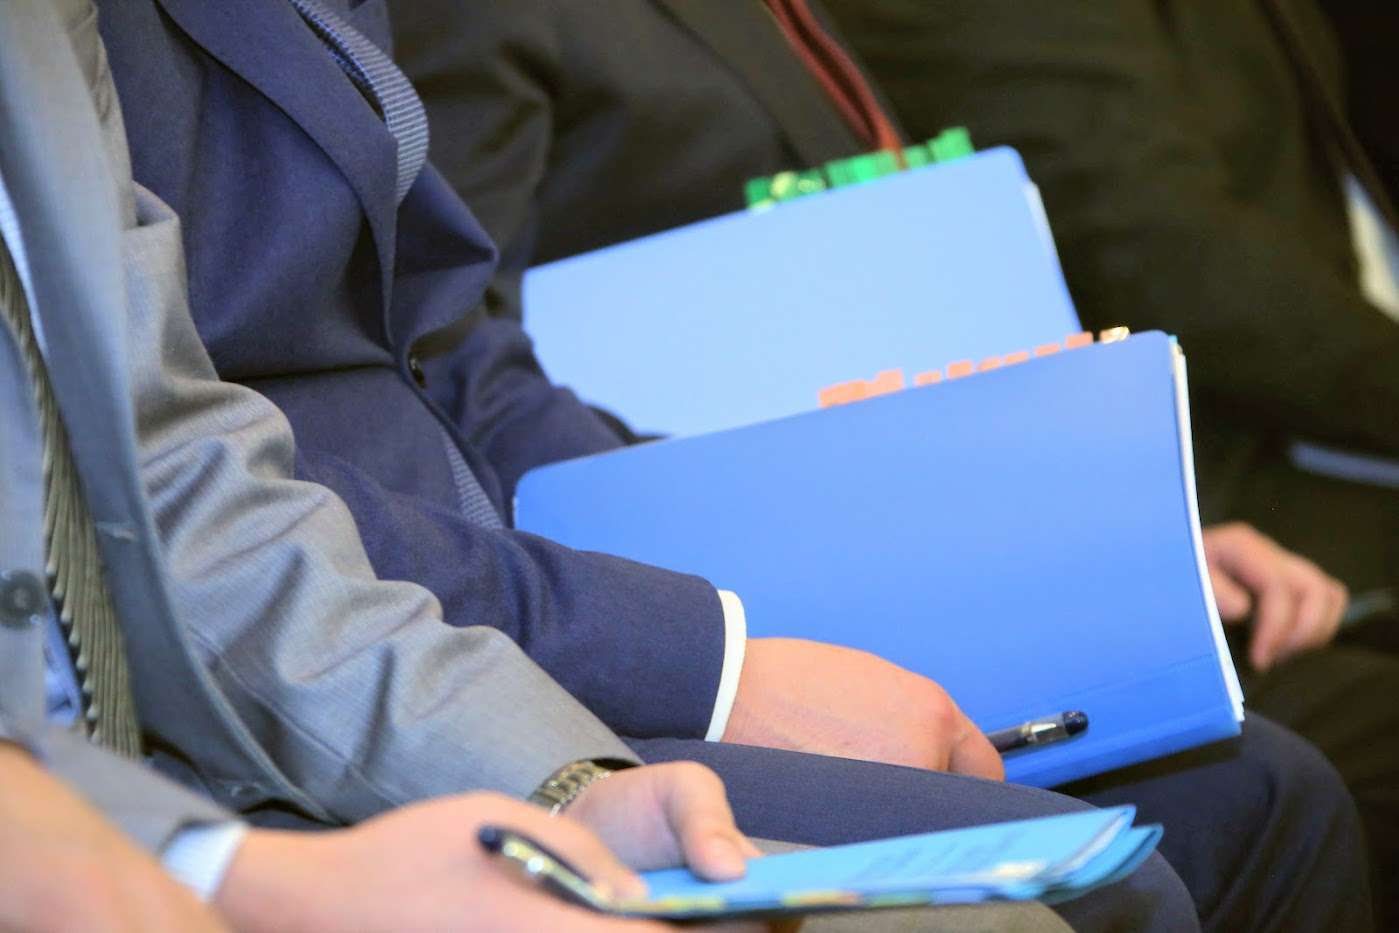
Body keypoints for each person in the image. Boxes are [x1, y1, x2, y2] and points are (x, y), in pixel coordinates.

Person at [92, 2, 1373, 929]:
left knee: (1267, 788)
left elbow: (451, 344)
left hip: (567, 551)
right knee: (1140, 855)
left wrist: (1001, 543)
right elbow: (203, 469)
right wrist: (716, 657)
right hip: (388, 627)